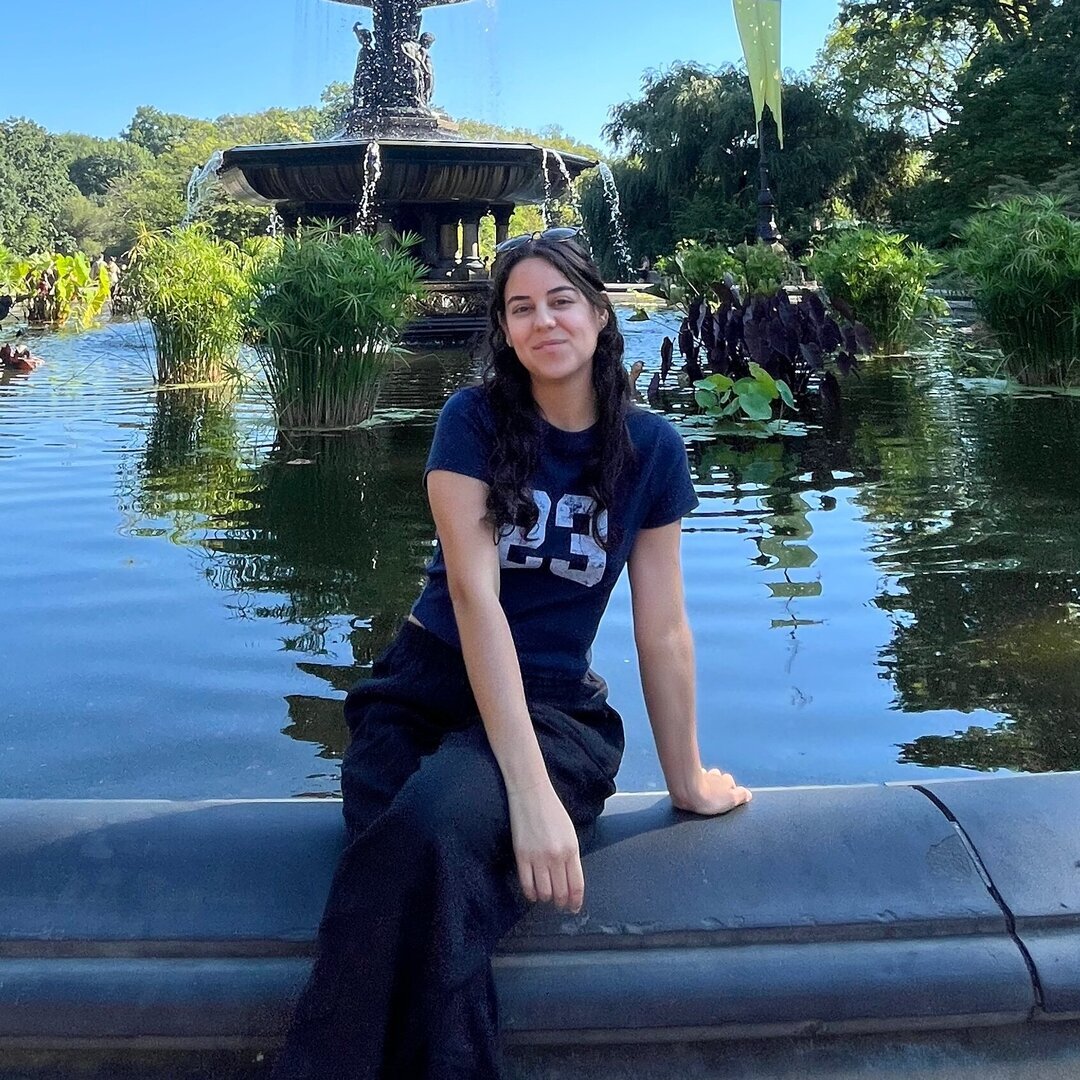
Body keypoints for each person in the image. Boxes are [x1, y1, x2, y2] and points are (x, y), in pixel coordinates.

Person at [271, 229, 751, 1080]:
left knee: (426, 833)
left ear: (600, 316)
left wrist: (686, 779)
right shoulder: (473, 422)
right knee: (422, 857)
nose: (544, 321)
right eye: (521, 308)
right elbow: (475, 600)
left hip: (552, 703)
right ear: (503, 329)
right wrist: (529, 800)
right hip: (422, 690)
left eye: (562, 301)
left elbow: (663, 629)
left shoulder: (651, 450)